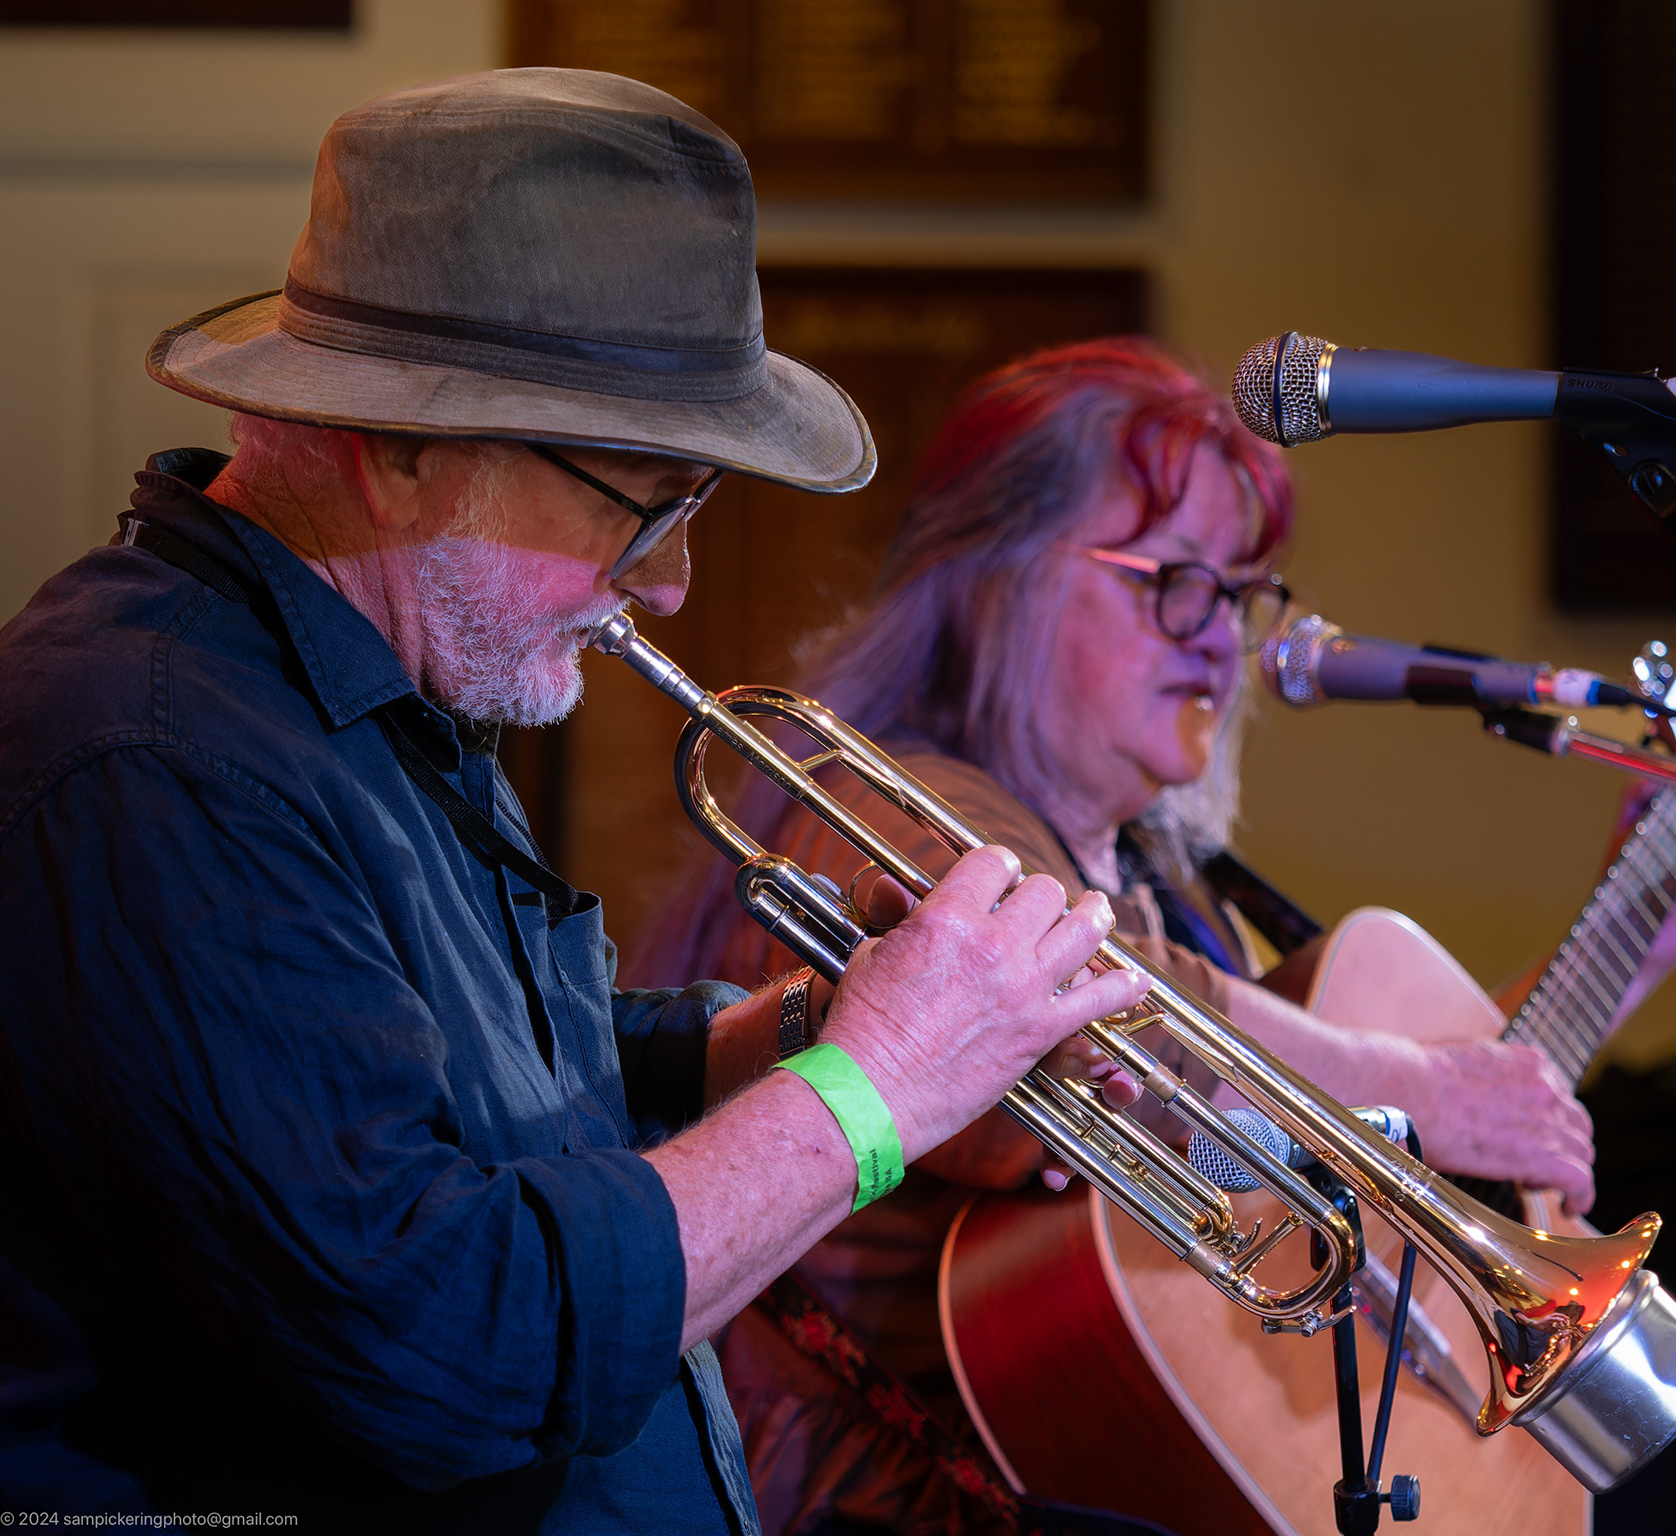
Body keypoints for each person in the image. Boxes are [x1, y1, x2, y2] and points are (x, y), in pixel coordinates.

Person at [0, 73, 1159, 1532]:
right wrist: (884, 1087)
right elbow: (445, 1340)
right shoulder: (156, 756)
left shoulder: (371, 683)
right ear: (404, 449)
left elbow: (472, 1092)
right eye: (642, 500)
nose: (668, 582)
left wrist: (808, 1028)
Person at [645, 338, 1676, 1535]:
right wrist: (1422, 1089)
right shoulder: (886, 806)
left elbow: (1346, 1138)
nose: (1216, 638)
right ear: (999, 576)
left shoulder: (1167, 880)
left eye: (1241, 596)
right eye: (1176, 581)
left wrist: (1641, 933)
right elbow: (1084, 1020)